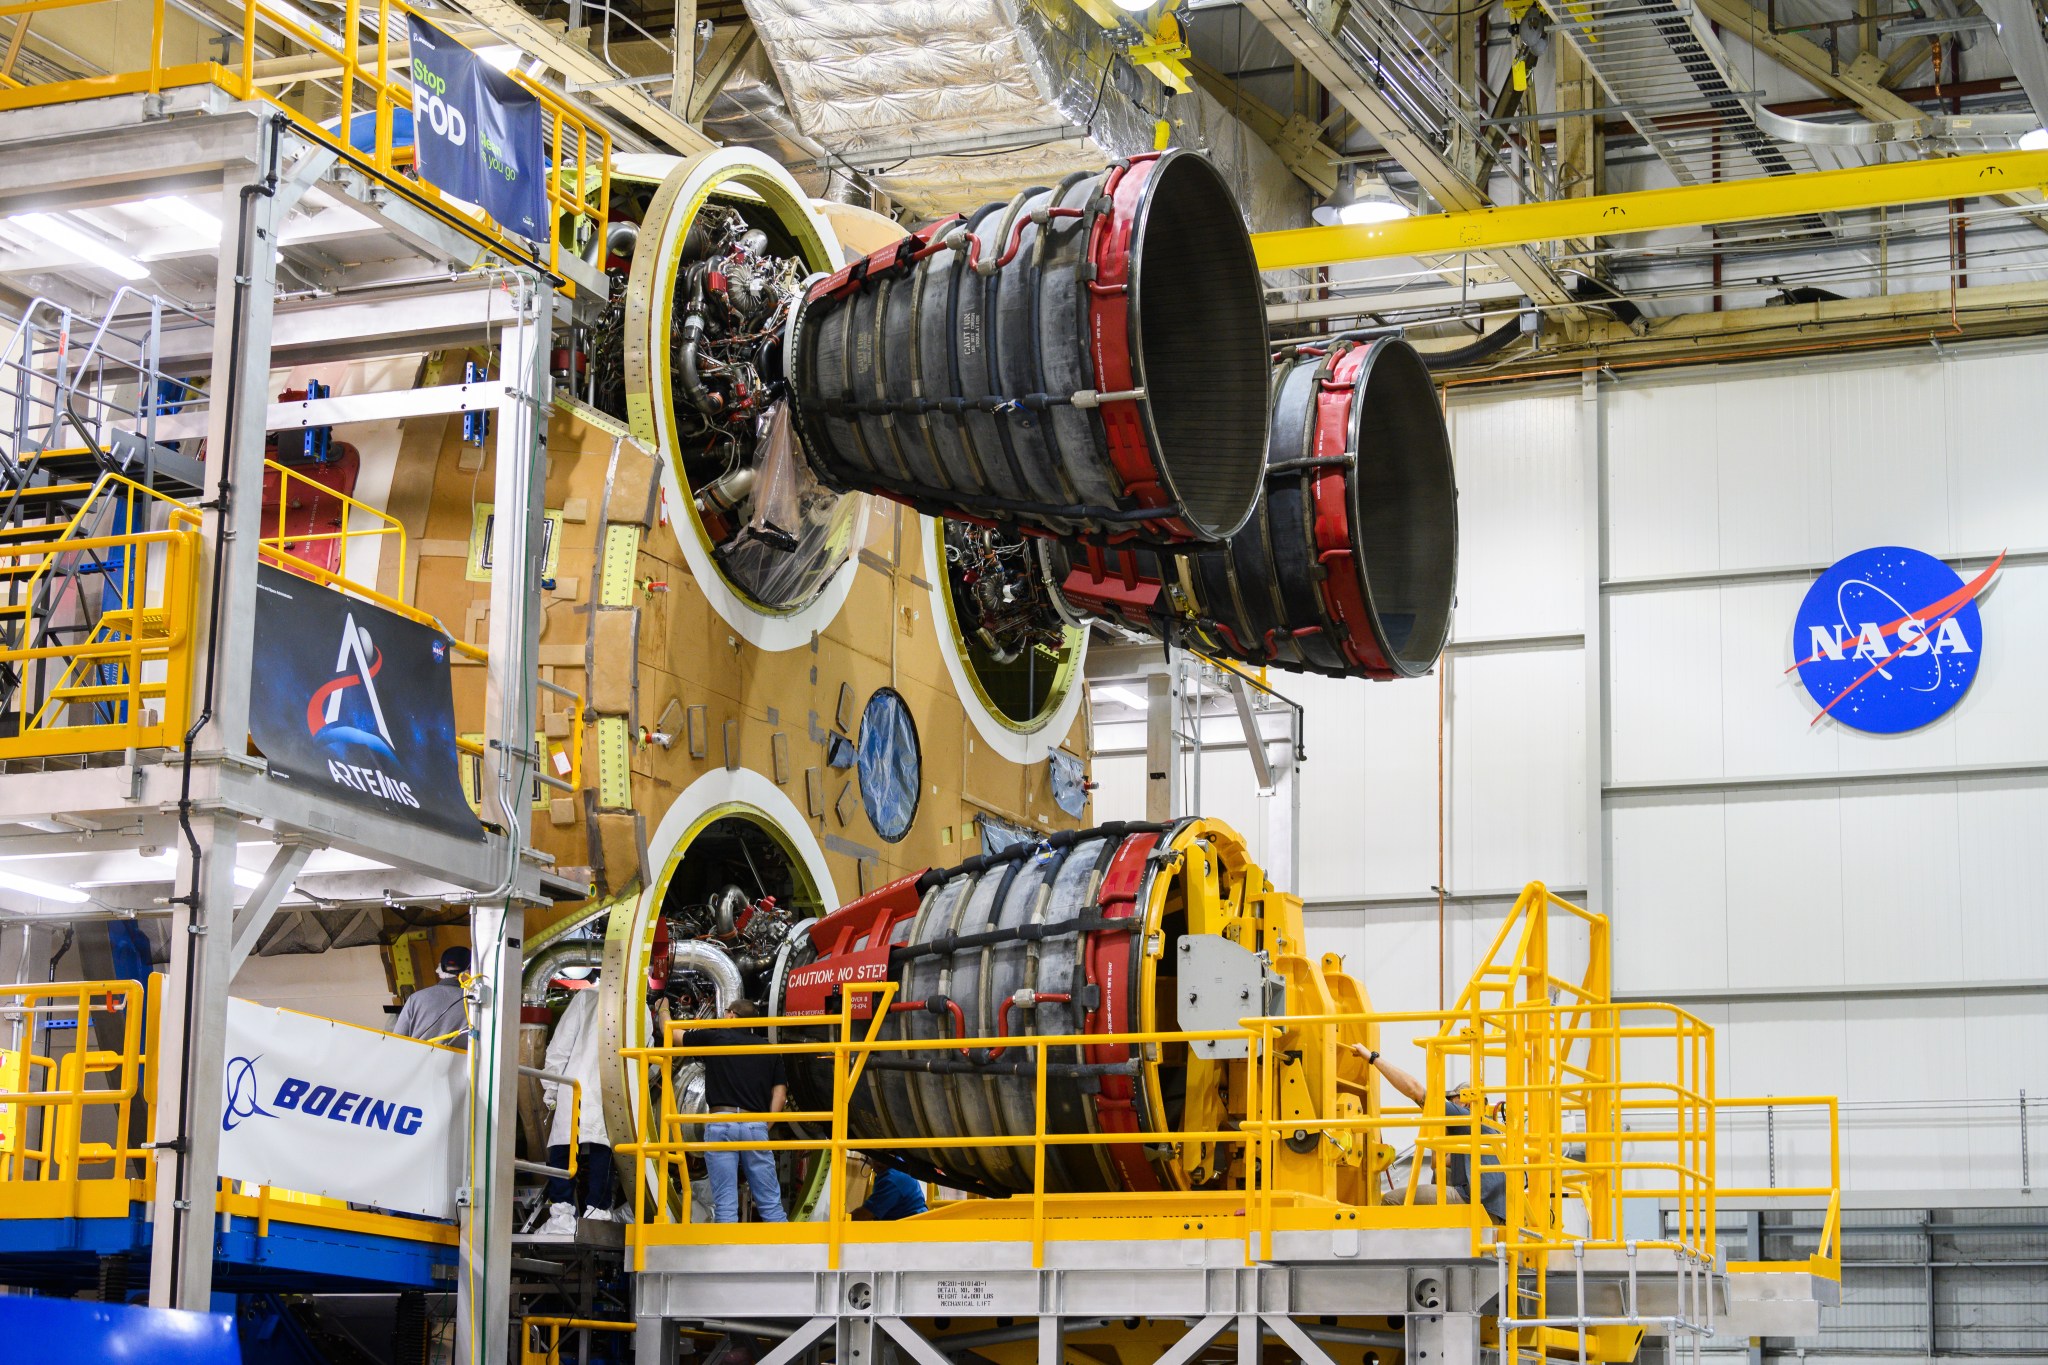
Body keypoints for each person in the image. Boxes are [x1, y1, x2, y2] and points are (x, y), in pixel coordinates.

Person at [1349, 1044, 1507, 1222]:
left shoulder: (1463, 1117)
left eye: (1452, 1100)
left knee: (1391, 1200)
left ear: (1468, 1102)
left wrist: (1373, 1058)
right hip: (1497, 1211)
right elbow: (1437, 1164)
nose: (1449, 1104)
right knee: (1441, 1175)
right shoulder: (1487, 1129)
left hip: (1477, 1203)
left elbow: (1414, 1089)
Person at [686, 1000, 787, 1223]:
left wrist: (663, 1010)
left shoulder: (715, 1038)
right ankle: (788, 1255)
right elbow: (780, 1094)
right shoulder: (770, 1051)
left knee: (725, 1204)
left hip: (722, 1122)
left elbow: (672, 1035)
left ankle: (728, 1255)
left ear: (731, 1016)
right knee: (771, 1204)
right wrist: (763, 1124)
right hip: (755, 1124)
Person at [535, 986, 615, 1235]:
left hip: (576, 1086)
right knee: (604, 1149)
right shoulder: (638, 1007)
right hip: (614, 1093)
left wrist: (551, 1089)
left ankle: (562, 1213)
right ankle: (597, 1212)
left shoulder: (587, 998)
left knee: (563, 1149)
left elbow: (560, 1046)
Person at [392, 946, 470, 1048]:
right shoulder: (474, 1002)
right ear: (469, 971)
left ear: (441, 969)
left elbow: (397, 1041)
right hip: (458, 1062)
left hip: (418, 1061)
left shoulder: (415, 999)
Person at [852, 1160, 928, 1221]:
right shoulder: (898, 1166)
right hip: (909, 1223)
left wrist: (843, 1221)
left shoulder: (893, 1179)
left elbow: (865, 1214)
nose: (876, 1162)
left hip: (909, 1228)